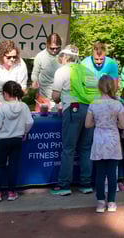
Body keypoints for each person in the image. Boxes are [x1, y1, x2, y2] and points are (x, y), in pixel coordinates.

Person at [51, 45, 95, 195]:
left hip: (72, 109)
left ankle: (64, 186)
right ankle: (86, 184)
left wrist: (60, 101)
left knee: (68, 149)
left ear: (64, 56)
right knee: (86, 148)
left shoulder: (62, 71)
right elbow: (94, 93)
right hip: (89, 110)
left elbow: (56, 96)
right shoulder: (87, 71)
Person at [0, 81, 34, 202]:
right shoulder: (24, 106)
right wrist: (24, 132)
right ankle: (12, 192)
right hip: (17, 140)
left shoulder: (2, 107)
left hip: (3, 140)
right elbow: (30, 122)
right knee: (13, 166)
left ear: (6, 94)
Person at [86, 75, 124, 213]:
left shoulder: (93, 103)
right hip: (113, 140)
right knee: (111, 174)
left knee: (99, 173)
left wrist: (97, 123)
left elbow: (87, 124)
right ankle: (111, 202)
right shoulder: (118, 104)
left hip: (99, 140)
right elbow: (123, 125)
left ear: (99, 87)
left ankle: (100, 202)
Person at [31, 33, 62, 111]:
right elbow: (35, 73)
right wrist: (34, 81)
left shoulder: (64, 56)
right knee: (42, 122)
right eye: (52, 48)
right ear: (46, 45)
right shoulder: (40, 56)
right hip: (43, 97)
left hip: (60, 98)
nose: (55, 51)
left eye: (57, 48)